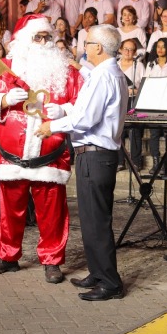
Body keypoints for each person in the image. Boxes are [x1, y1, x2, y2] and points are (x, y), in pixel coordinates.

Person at [0, 14, 82, 285]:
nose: (44, 42)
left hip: (50, 155)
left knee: (52, 212)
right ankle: (7, 256)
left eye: (48, 37)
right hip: (10, 155)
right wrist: (3, 99)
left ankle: (52, 260)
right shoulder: (4, 69)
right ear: (23, 40)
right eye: (38, 37)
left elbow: (82, 103)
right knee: (9, 210)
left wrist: (65, 110)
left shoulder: (66, 72)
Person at [36, 24, 126, 301]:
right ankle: (98, 272)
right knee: (90, 219)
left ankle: (110, 282)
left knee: (96, 221)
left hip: (96, 154)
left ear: (98, 48)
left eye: (87, 43)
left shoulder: (102, 76)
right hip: (97, 153)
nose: (83, 47)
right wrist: (64, 110)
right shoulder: (110, 73)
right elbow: (87, 111)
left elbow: (86, 119)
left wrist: (52, 126)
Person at [145, 38, 167, 175]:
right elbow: (145, 81)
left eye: (163, 47)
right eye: (158, 46)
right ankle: (155, 162)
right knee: (154, 133)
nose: (160, 49)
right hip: (154, 102)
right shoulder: (151, 64)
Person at [118, 39, 144, 170]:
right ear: (120, 50)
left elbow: (145, 86)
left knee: (135, 131)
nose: (128, 52)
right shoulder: (115, 65)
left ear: (135, 52)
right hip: (119, 101)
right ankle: (119, 161)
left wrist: (135, 90)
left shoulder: (138, 66)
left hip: (134, 100)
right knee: (118, 131)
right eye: (126, 49)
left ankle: (136, 161)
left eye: (131, 50)